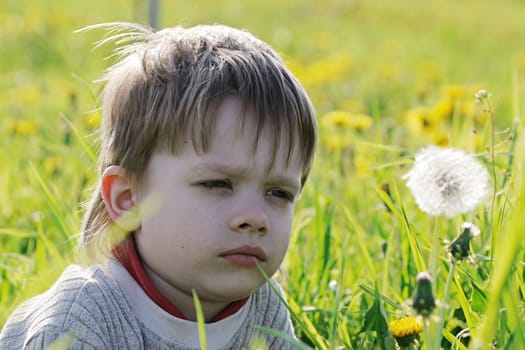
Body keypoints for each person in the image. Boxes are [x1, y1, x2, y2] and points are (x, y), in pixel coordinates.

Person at [0, 22, 317, 349]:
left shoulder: (263, 308)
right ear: (128, 200)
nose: (256, 218)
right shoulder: (79, 322)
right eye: (217, 184)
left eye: (278, 192)